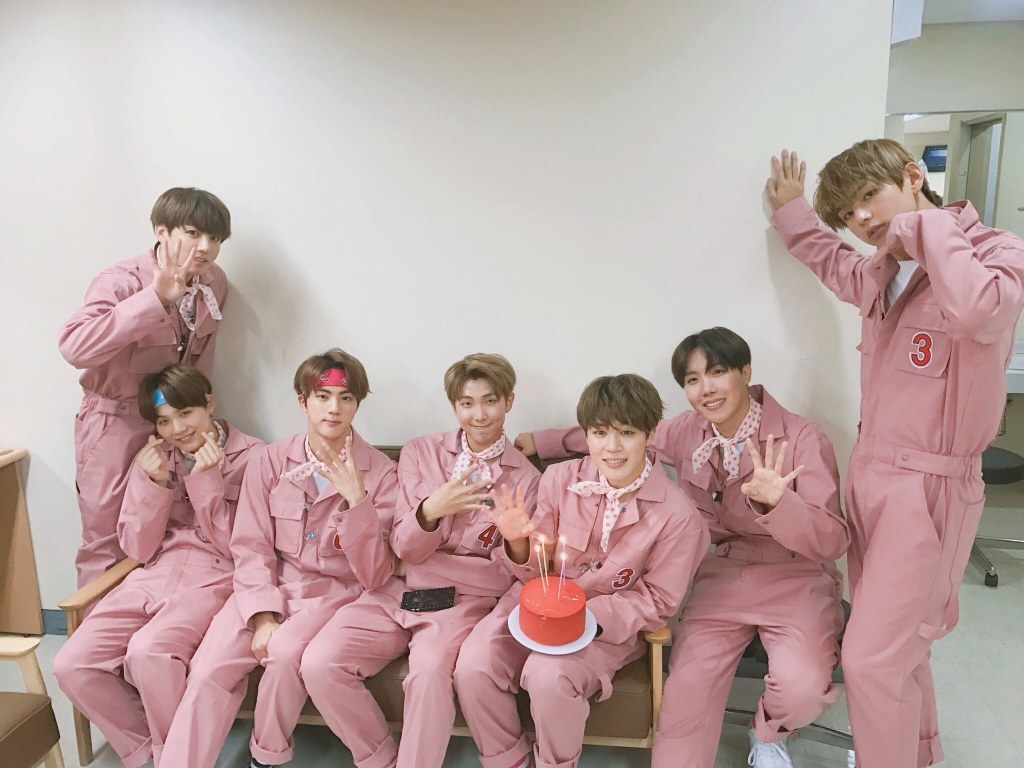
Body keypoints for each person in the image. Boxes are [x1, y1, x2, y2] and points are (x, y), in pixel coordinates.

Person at [765, 140, 1024, 767]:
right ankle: (917, 753)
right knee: (902, 647)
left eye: (868, 198)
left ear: (913, 176)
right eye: (846, 213)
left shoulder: (996, 253)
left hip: (932, 488)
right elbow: (832, 261)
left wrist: (924, 226)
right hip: (872, 476)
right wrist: (795, 212)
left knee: (870, 659)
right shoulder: (882, 271)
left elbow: (979, 311)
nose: (859, 219)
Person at [518, 328, 848, 768]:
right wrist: (541, 441)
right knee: (687, 694)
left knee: (802, 686)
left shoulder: (803, 438)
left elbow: (833, 539)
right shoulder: (687, 432)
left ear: (745, 372)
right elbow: (618, 433)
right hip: (721, 574)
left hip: (796, 573)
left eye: (717, 372)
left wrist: (780, 504)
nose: (706, 389)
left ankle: (769, 732)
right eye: (693, 380)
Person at [159, 348, 399, 768]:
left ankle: (265, 758)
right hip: (266, 584)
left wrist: (357, 501)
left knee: (285, 652)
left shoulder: (381, 473)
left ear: (357, 404)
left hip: (336, 594)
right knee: (208, 670)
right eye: (322, 396)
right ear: (303, 402)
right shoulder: (269, 460)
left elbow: (375, 574)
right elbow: (250, 545)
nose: (334, 408)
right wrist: (262, 614)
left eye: (345, 397)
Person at [455, 373, 709, 768]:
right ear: (587, 435)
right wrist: (517, 542)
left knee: (548, 676)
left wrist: (581, 617)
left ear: (651, 434)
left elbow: (659, 600)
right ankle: (508, 760)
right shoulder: (558, 479)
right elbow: (534, 567)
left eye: (627, 433)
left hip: (605, 628)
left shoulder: (679, 517)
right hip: (532, 606)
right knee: (473, 666)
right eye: (600, 432)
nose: (612, 447)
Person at [301, 353, 542, 768]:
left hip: (459, 602)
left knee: (429, 673)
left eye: (490, 401)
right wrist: (431, 510)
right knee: (320, 662)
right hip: (393, 591)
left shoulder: (527, 479)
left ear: (509, 401)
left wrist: (515, 542)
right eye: (467, 403)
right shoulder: (419, 453)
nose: (479, 415)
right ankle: (379, 757)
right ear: (454, 406)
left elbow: (504, 575)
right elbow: (404, 547)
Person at [54, 363, 263, 767]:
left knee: (148, 652)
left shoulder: (254, 457)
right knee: (71, 663)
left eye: (185, 413)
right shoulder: (154, 459)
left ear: (208, 403)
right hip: (153, 572)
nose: (177, 429)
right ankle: (151, 754)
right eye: (164, 421)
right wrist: (156, 485)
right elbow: (138, 548)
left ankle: (177, 759)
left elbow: (240, 549)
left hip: (216, 576)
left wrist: (207, 480)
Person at [59, 187, 232, 586]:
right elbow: (74, 346)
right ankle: (97, 626)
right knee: (105, 540)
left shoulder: (214, 282)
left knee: (162, 531)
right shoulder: (121, 281)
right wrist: (154, 298)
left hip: (172, 424)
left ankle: (147, 621)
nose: (205, 247)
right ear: (161, 231)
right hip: (114, 424)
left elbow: (200, 359)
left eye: (215, 238)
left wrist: (200, 422)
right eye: (193, 233)